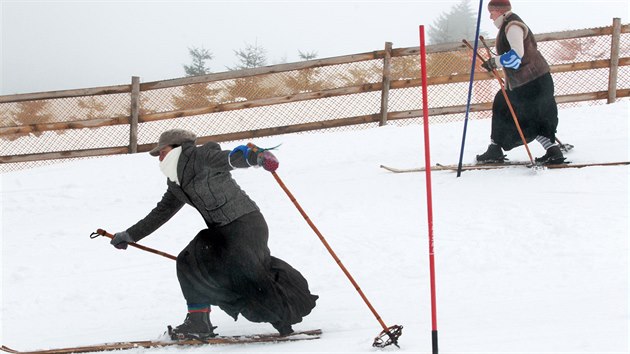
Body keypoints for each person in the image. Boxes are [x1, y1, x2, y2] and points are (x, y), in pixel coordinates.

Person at [110, 128, 318, 339]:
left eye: (161, 152)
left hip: (245, 224)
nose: (159, 158)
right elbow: (162, 211)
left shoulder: (202, 157)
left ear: (175, 148)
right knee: (188, 260)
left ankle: (283, 316)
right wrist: (130, 234)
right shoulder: (175, 181)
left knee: (250, 276)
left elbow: (230, 158)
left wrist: (254, 156)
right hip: (221, 232)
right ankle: (199, 322)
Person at [476, 0, 566, 165]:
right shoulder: (508, 25)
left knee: (528, 117)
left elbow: (516, 56)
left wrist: (495, 62)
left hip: (531, 83)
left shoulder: (512, 27)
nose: (490, 16)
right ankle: (496, 148)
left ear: (499, 11)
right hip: (532, 81)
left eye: (492, 12)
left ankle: (551, 151)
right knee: (508, 106)